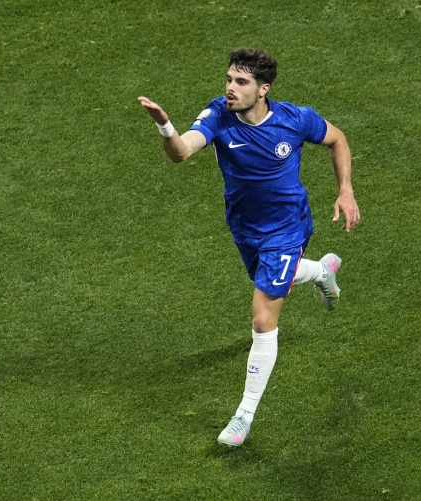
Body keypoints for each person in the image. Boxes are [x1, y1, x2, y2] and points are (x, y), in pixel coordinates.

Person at [138, 48, 360, 447]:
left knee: (262, 319)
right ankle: (321, 271)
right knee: (271, 279)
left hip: (287, 228)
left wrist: (346, 191)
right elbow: (181, 152)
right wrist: (165, 125)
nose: (230, 88)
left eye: (241, 82)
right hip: (245, 227)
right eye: (228, 79)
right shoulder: (218, 115)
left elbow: (337, 139)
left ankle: (243, 416)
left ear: (263, 89)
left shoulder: (294, 120)